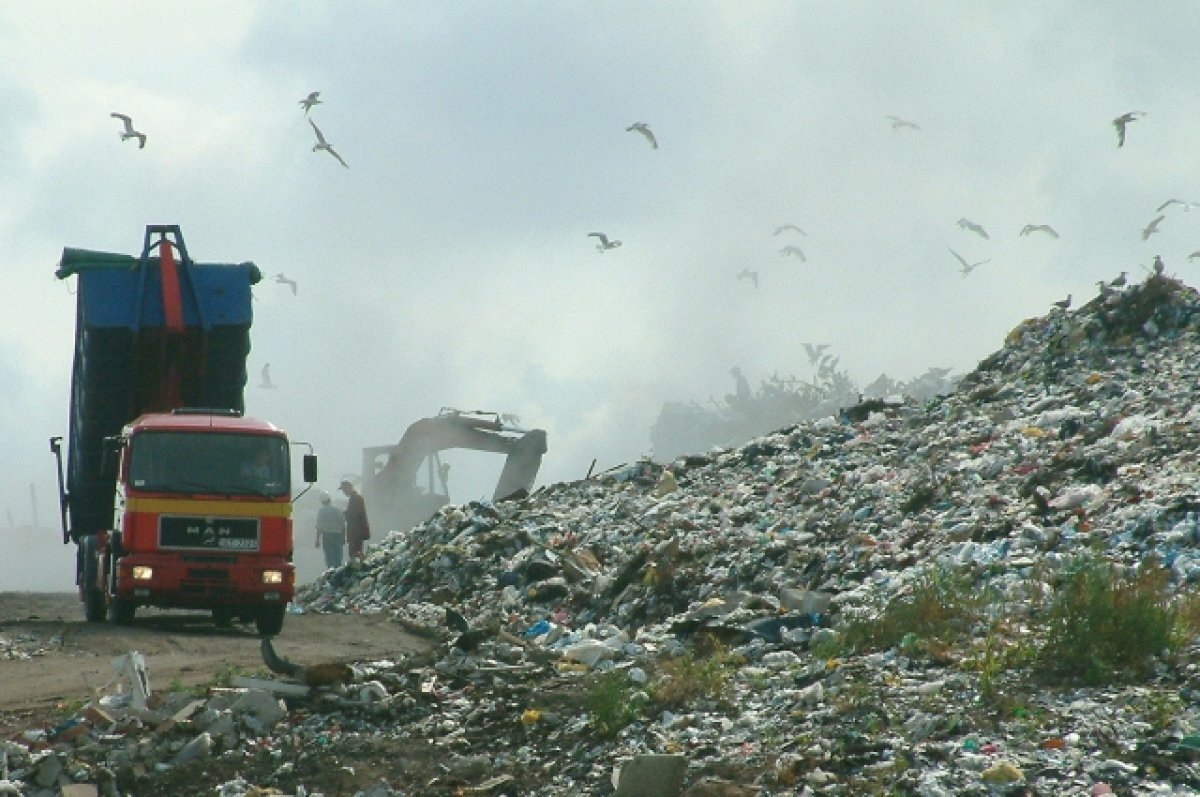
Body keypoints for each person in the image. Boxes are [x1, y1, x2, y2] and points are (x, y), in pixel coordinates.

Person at [340, 479, 371, 560]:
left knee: (355, 554)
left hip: (356, 532)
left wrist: (345, 514)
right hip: (355, 532)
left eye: (344, 490)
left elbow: (354, 515)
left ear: (349, 488)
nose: (344, 492)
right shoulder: (354, 498)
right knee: (355, 554)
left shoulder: (356, 499)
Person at [314, 491, 346, 569]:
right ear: (330, 500)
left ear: (322, 502)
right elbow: (343, 525)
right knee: (338, 556)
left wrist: (317, 539)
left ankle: (331, 573)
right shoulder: (338, 510)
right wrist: (343, 537)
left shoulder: (321, 511)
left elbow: (319, 527)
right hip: (337, 535)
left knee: (329, 557)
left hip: (327, 536)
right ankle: (338, 572)